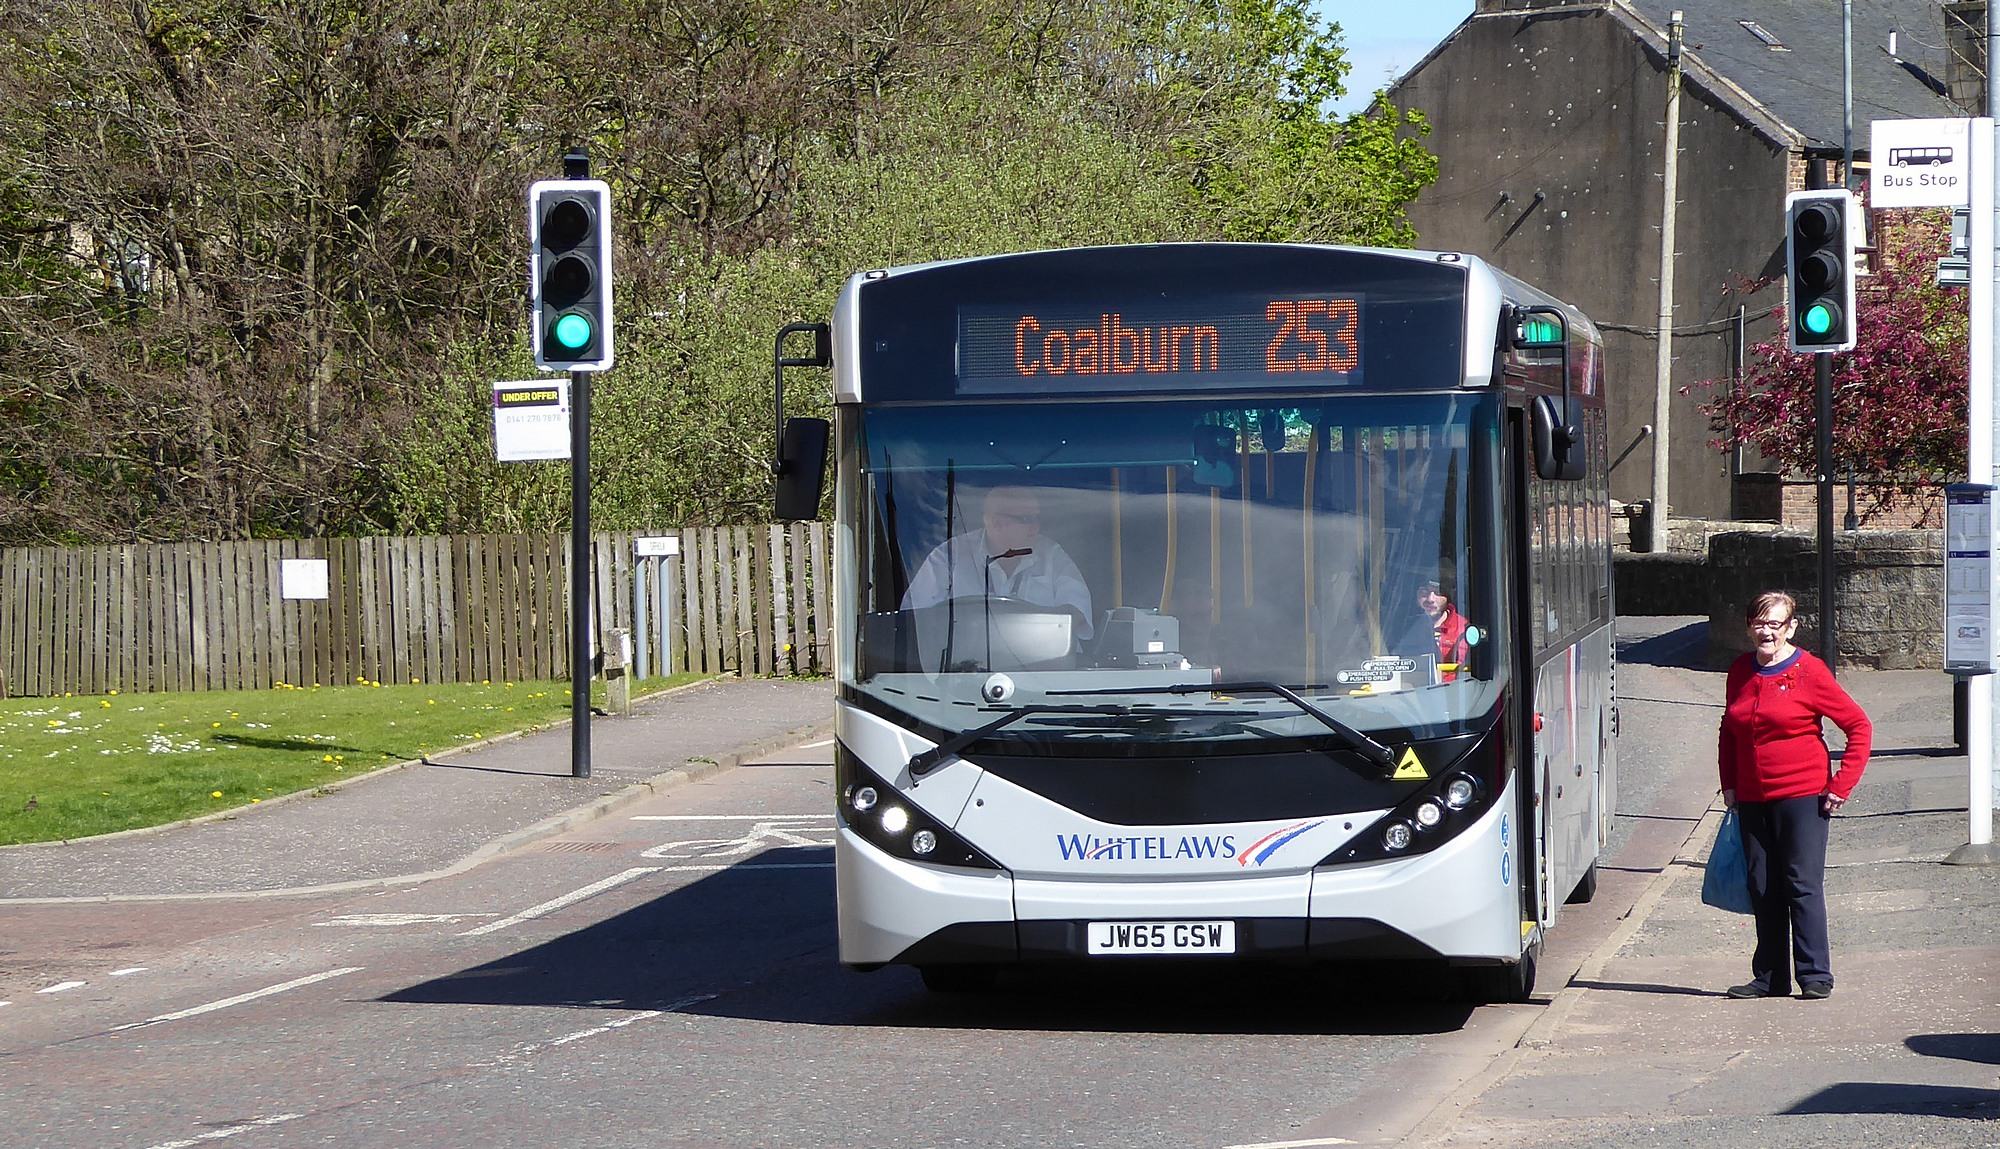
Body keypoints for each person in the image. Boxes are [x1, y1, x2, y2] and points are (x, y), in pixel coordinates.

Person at [1715, 590, 1871, 1000]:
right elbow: (1728, 732)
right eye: (1759, 623)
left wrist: (1841, 785)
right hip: (1751, 796)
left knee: (1801, 884)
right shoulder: (1739, 672)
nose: (1766, 632)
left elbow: (1859, 726)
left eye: (1775, 624)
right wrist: (1728, 783)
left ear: (1791, 628)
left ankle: (1815, 974)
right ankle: (1770, 978)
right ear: (1749, 626)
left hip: (1803, 794)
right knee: (1763, 886)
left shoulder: (1809, 671)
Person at [902, 485, 1093, 640]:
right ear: (995, 523)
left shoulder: (1051, 554)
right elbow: (914, 621)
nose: (1036, 527)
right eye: (1027, 519)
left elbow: (1077, 613)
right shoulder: (948, 557)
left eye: (1037, 518)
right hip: (965, 675)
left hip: (1045, 677)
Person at [1417, 579, 1471, 682]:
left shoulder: (1463, 628)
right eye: (1424, 593)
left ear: (1448, 596)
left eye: (1437, 593)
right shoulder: (1406, 628)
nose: (1430, 599)